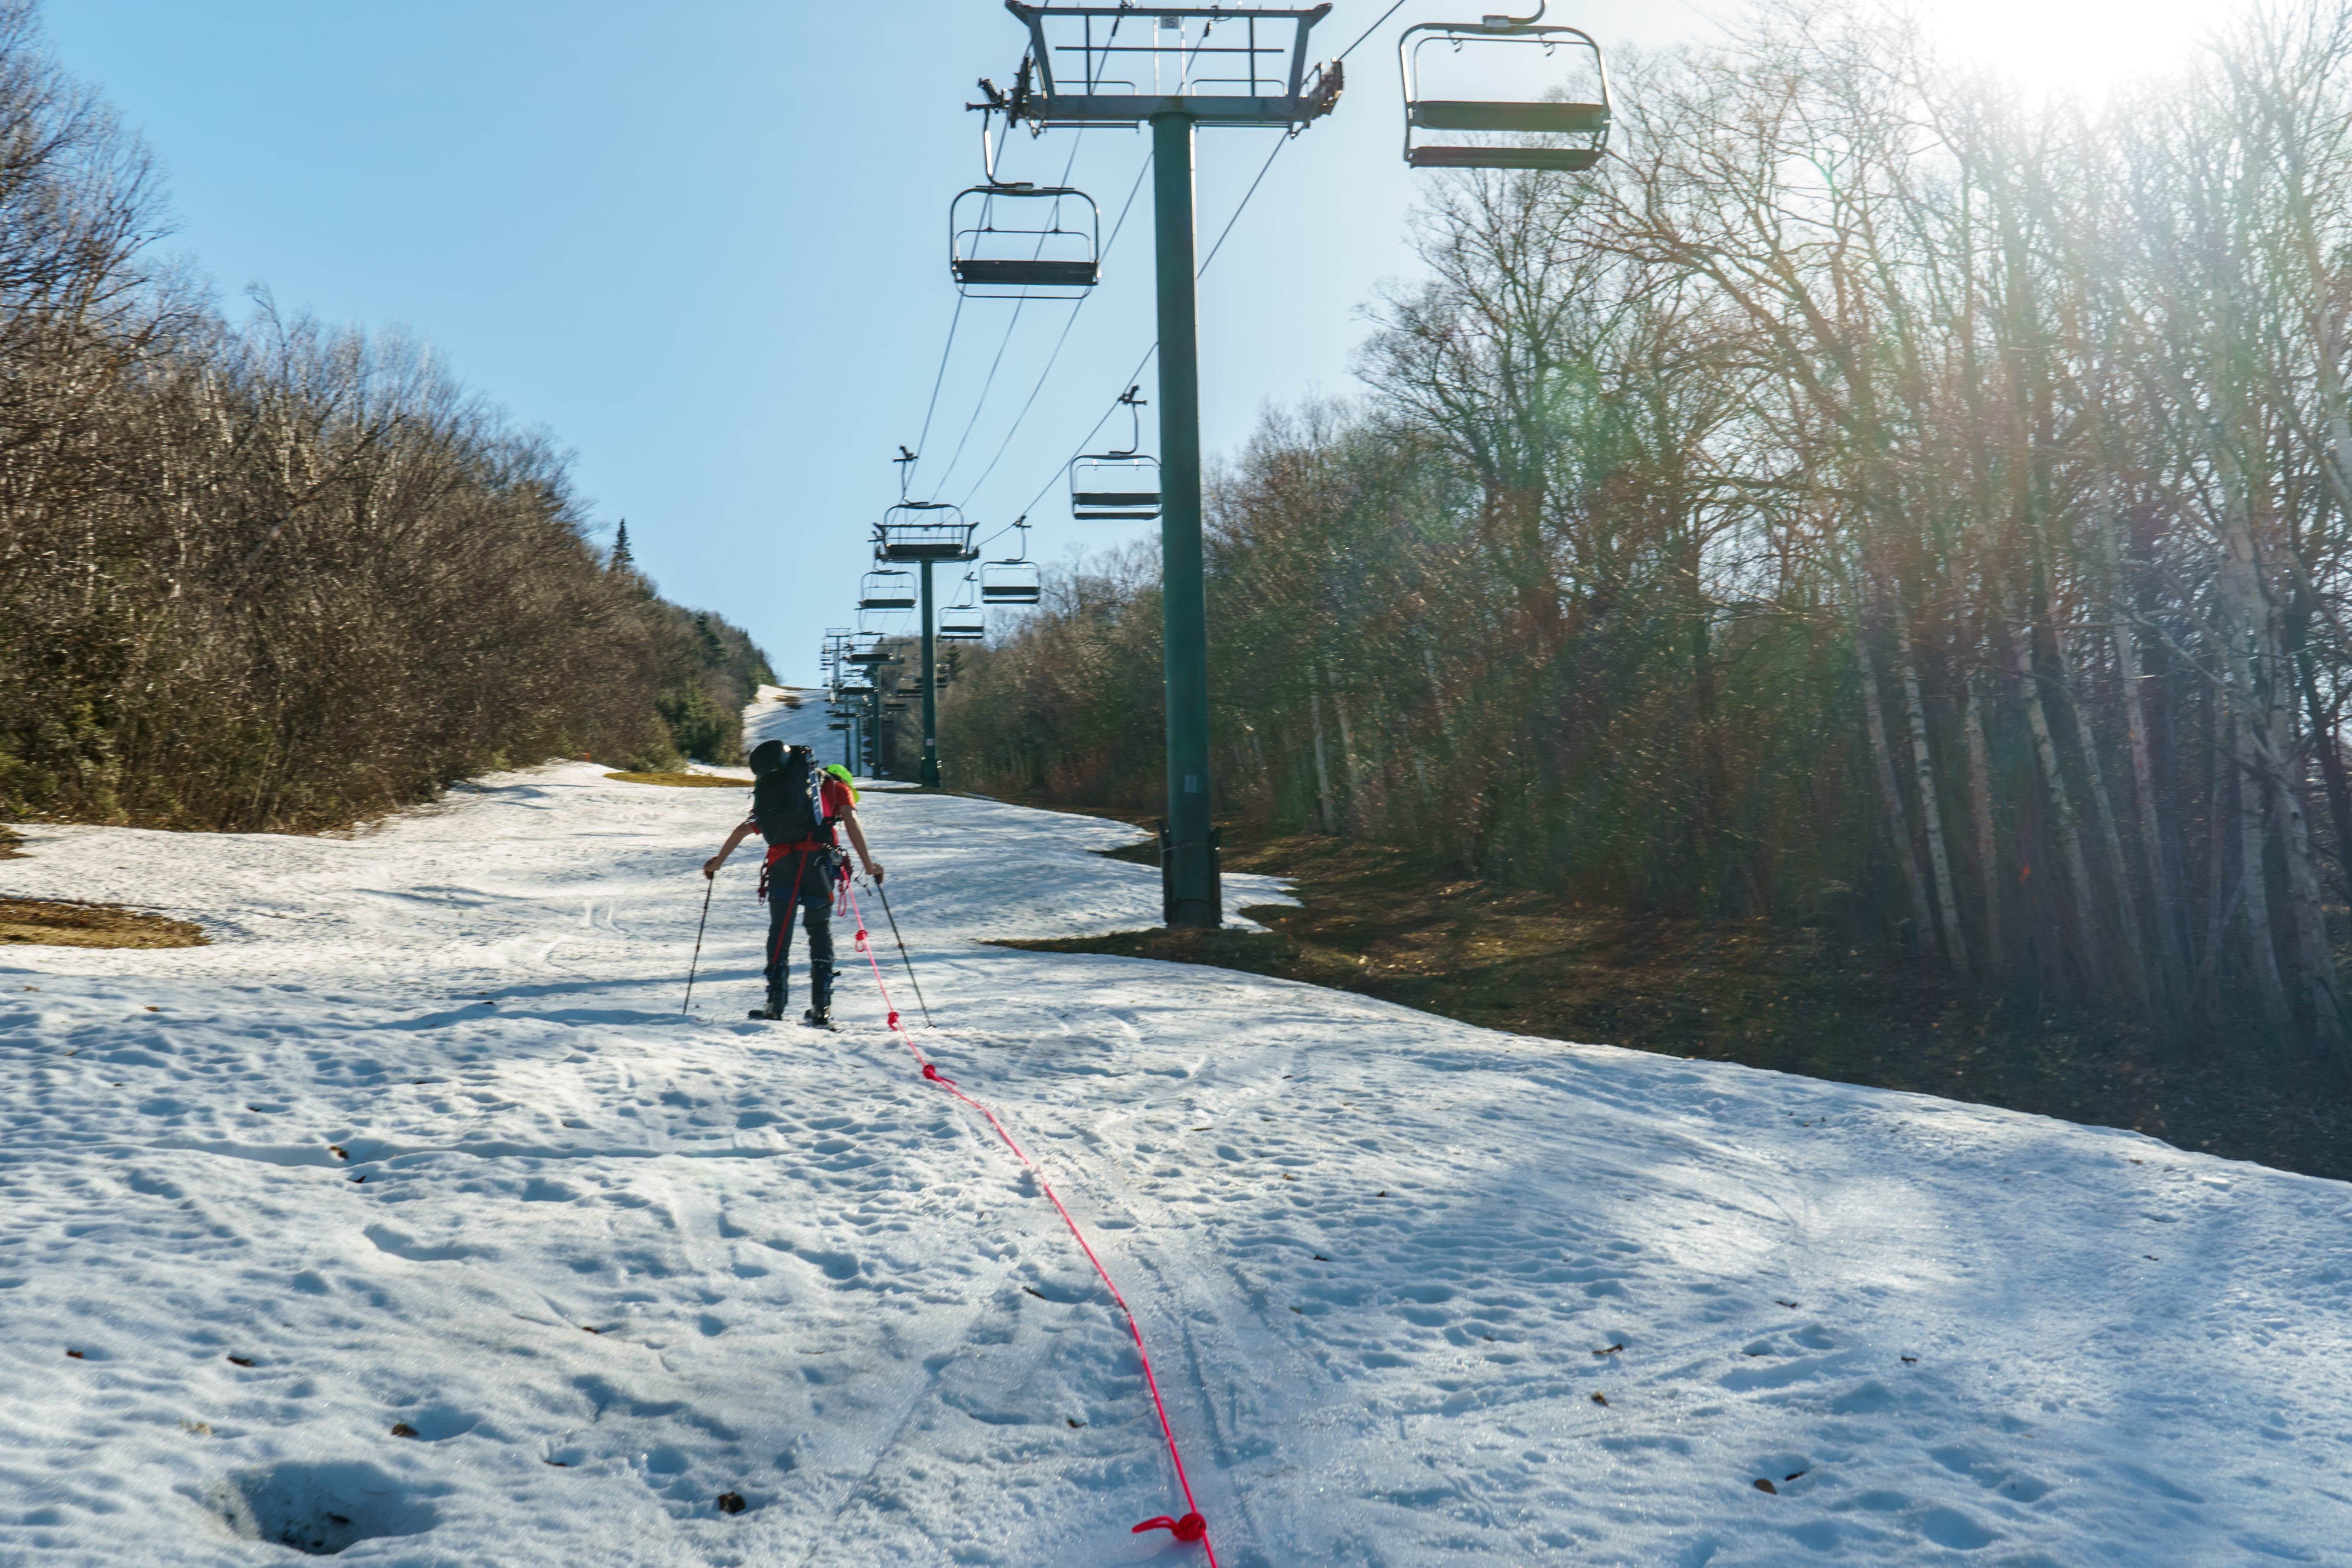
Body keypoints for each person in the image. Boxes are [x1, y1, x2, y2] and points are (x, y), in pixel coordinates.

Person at [703, 741, 882, 1027]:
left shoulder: (784, 790)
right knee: (819, 929)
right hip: (816, 866)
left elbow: (743, 829)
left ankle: (775, 1003)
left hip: (780, 866)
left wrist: (717, 863)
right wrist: (869, 864)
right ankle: (821, 1007)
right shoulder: (836, 788)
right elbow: (850, 821)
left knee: (780, 930)